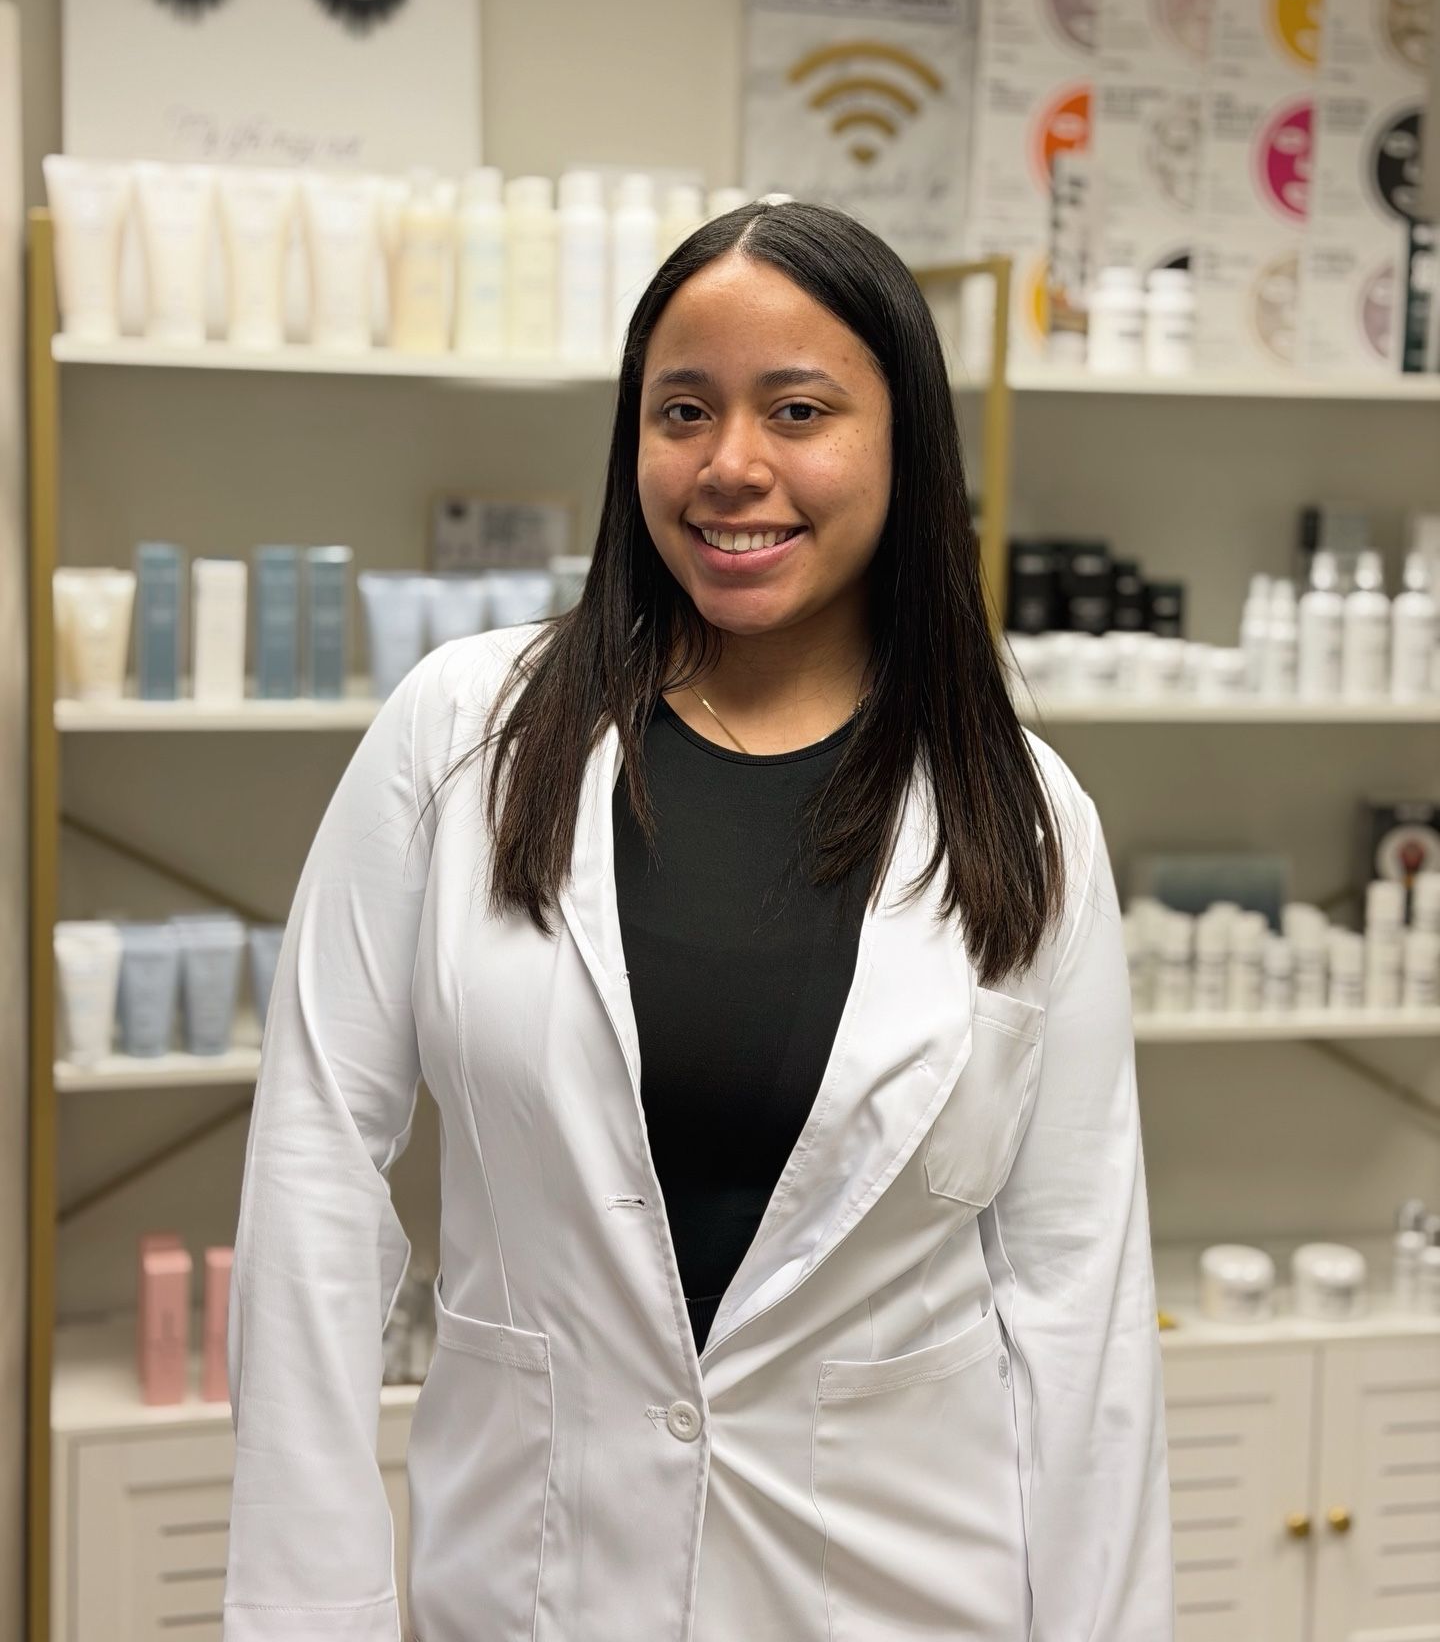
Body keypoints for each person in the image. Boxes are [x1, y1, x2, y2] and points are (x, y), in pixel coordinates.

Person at [222, 199, 1175, 1642]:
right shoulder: (461, 737)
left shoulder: (1025, 818)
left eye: (798, 409)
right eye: (684, 410)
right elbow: (315, 1167)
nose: (733, 466)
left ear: (903, 445)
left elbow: (1076, 1302)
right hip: (536, 1586)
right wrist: (312, 1609)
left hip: (904, 1595)